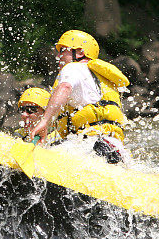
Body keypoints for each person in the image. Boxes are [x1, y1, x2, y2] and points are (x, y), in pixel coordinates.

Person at [29, 30, 129, 164]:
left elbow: (64, 88)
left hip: (92, 147)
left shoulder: (73, 68)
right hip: (114, 148)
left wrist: (44, 122)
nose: (58, 55)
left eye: (63, 50)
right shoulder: (99, 78)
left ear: (80, 52)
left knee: (40, 158)